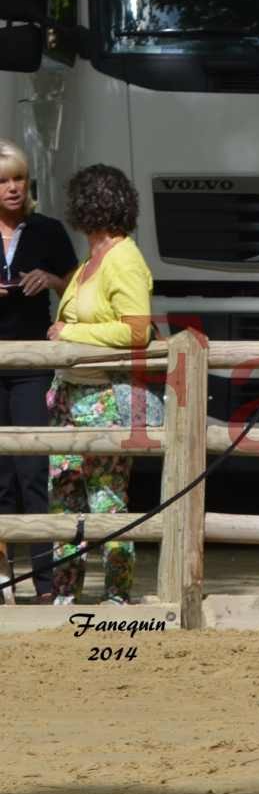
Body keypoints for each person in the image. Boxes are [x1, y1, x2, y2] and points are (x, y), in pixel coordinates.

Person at [43, 164, 162, 605]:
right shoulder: (89, 261)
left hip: (106, 399)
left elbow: (137, 332)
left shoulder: (124, 259)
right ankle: (64, 592)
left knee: (107, 502)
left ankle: (116, 593)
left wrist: (70, 335)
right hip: (69, 396)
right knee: (64, 500)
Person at [0, 139, 77, 599]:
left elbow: (76, 279)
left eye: (19, 179)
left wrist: (49, 279)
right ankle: (5, 579)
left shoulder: (47, 230)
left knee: (33, 470)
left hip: (31, 364)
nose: (12, 188)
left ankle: (45, 582)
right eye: (3, 181)